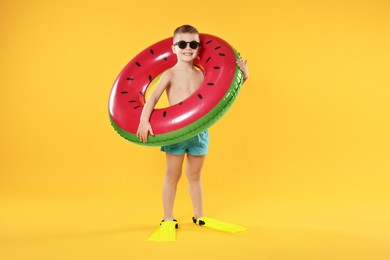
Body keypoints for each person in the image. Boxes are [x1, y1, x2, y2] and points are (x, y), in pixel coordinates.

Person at [136, 25, 249, 242]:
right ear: (174, 48)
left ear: (198, 48)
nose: (188, 48)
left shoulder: (203, 76)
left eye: (193, 44)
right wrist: (143, 120)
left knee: (195, 176)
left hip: (200, 133)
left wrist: (243, 77)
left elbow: (223, 94)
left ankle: (200, 215)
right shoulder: (169, 74)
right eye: (182, 44)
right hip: (176, 133)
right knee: (172, 175)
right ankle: (167, 218)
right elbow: (152, 98)